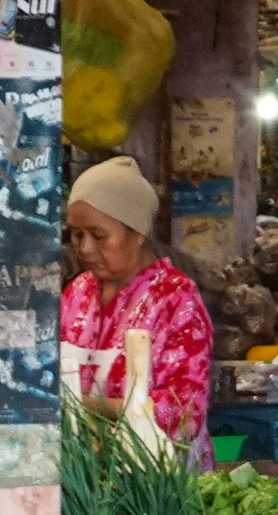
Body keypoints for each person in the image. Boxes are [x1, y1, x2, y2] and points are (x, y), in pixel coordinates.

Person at [59, 154, 215, 453]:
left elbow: (185, 412)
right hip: (88, 480)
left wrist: (87, 406)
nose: (85, 247)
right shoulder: (77, 293)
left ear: (137, 233)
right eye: (77, 235)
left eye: (98, 235)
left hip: (155, 482)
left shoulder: (176, 301)